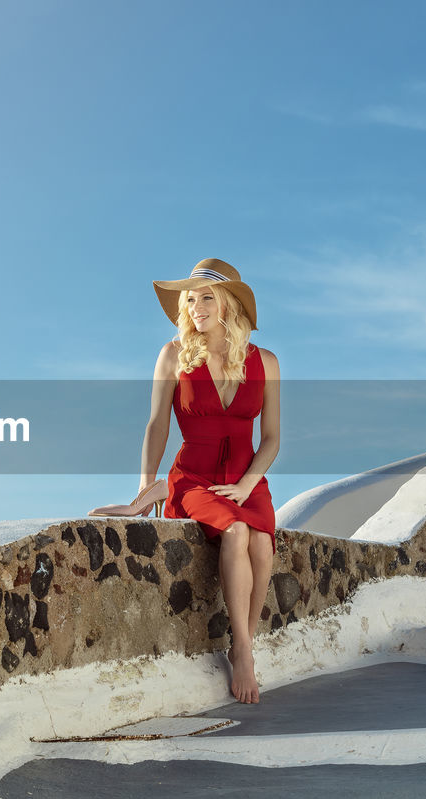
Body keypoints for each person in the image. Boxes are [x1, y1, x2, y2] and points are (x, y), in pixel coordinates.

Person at [143, 258, 280, 704]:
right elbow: (157, 427)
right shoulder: (173, 354)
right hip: (195, 478)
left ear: (228, 303)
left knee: (263, 544)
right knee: (238, 532)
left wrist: (246, 485)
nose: (195, 307)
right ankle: (242, 650)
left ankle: (244, 640)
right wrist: (147, 489)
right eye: (189, 298)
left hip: (247, 478)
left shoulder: (267, 362)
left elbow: (273, 438)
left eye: (205, 297)